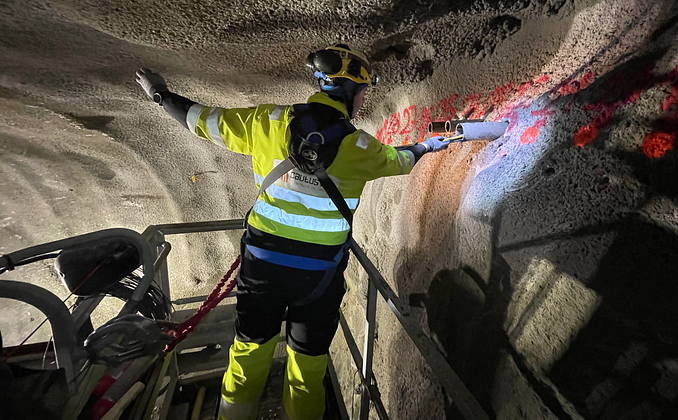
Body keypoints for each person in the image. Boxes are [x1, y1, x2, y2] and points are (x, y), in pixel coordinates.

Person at [136, 44, 449, 420]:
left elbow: (200, 120)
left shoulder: (267, 122)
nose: (364, 101)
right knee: (308, 366)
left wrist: (160, 94)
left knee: (249, 353)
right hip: (319, 279)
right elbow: (404, 159)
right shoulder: (361, 147)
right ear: (350, 93)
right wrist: (429, 145)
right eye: (363, 93)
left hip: (262, 271)